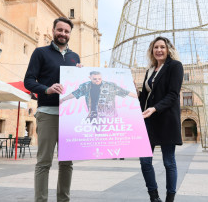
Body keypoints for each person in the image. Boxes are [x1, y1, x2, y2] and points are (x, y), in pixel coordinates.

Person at [24, 17, 82, 202]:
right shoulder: (40, 53)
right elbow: (29, 81)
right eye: (60, 30)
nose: (63, 34)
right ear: (53, 30)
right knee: (44, 162)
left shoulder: (75, 57)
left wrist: (81, 74)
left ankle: (63, 200)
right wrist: (46, 89)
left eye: (66, 31)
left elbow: (79, 88)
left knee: (67, 163)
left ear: (70, 34)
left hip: (70, 116)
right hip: (48, 112)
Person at [138, 36, 183, 202]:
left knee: (168, 162)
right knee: (144, 161)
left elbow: (173, 94)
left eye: (162, 47)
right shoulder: (150, 70)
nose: (159, 50)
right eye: (156, 47)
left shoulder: (175, 66)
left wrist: (155, 108)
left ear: (168, 49)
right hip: (148, 119)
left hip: (166, 120)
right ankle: (154, 197)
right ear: (152, 51)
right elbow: (144, 96)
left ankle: (170, 198)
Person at [60, 71, 137, 120]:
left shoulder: (110, 85)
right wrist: (62, 99)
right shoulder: (86, 86)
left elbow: (125, 92)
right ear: (90, 78)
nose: (97, 80)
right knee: (96, 135)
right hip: (93, 115)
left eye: (99, 79)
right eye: (95, 79)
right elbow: (75, 93)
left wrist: (137, 97)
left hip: (109, 116)